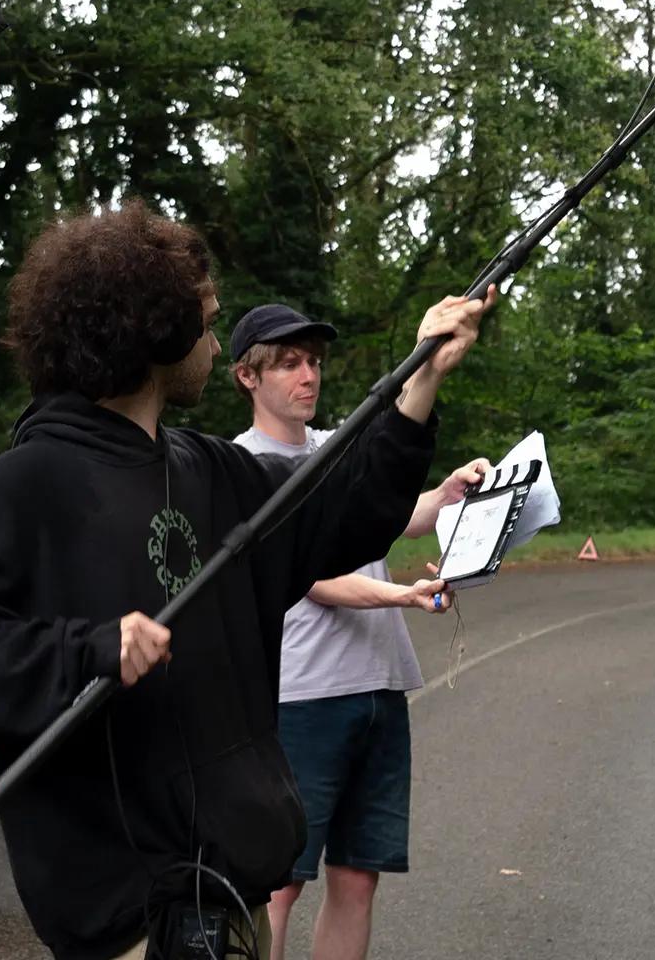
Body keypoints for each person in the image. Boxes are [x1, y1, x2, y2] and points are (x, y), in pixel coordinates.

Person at [0, 199, 495, 960]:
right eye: (204, 321)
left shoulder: (212, 472)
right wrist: (84, 651)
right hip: (124, 922)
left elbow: (351, 511)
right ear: (155, 331)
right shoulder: (32, 481)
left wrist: (422, 378)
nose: (209, 337)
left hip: (226, 900)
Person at [229, 304, 488, 960]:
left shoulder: (333, 448)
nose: (307, 375)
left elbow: (390, 514)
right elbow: (310, 575)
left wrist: (446, 494)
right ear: (247, 377)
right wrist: (401, 593)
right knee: (278, 882)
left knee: (357, 875)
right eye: (288, 363)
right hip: (302, 696)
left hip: (380, 687)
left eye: (313, 361)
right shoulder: (240, 468)